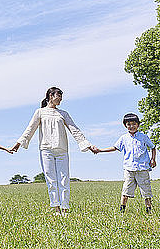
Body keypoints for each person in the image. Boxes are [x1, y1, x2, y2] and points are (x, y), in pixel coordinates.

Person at [10, 87, 97, 216]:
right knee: (51, 179)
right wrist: (18, 144)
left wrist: (88, 145)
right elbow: (30, 129)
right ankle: (56, 208)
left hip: (62, 150)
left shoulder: (63, 114)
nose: (60, 99)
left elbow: (75, 130)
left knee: (64, 179)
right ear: (50, 96)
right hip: (46, 150)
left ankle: (65, 208)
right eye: (58, 95)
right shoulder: (40, 112)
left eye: (61, 96)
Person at [95, 113, 156, 213]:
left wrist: (153, 159)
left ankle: (149, 211)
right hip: (129, 168)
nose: (131, 126)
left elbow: (153, 147)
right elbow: (115, 148)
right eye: (129, 124)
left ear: (138, 124)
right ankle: (122, 211)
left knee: (146, 191)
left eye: (134, 124)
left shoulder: (143, 137)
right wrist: (100, 150)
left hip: (142, 168)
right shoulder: (124, 138)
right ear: (125, 126)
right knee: (126, 190)